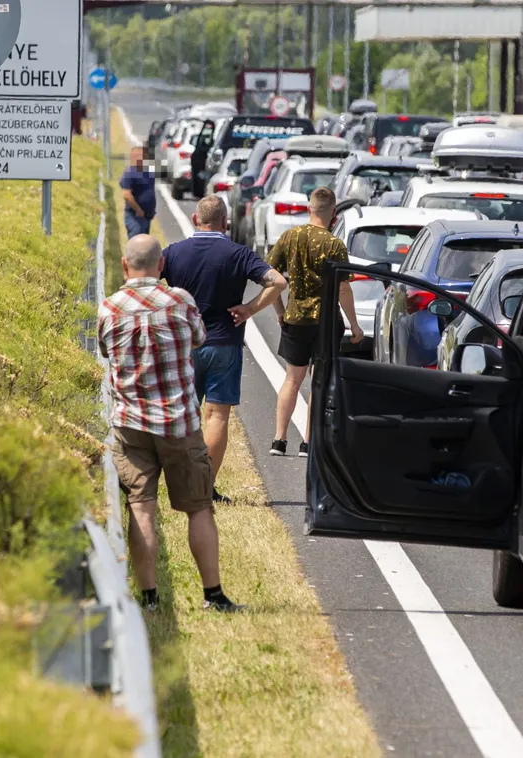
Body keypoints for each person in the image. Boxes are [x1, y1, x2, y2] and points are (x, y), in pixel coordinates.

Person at [98, 235, 244, 614]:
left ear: (125, 265)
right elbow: (198, 339)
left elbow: (105, 350)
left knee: (140, 505)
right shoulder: (180, 301)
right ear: (161, 265)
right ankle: (213, 594)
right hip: (178, 421)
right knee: (199, 507)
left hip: (131, 423)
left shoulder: (109, 308)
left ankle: (149, 599)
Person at [162, 195, 288, 503]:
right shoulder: (238, 253)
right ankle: (205, 488)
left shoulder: (174, 252)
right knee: (216, 417)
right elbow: (278, 282)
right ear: (225, 222)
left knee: (183, 415)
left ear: (195, 219)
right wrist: (249, 309)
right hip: (224, 344)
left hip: (184, 346)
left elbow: (145, 279)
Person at [265, 186, 363, 457]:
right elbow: (343, 289)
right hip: (326, 323)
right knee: (317, 382)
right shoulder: (334, 244)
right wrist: (354, 325)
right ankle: (307, 443)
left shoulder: (290, 236)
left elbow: (270, 276)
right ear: (333, 213)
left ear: (309, 208)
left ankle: (279, 440)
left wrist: (279, 310)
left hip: (295, 319)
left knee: (291, 380)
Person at [121, 146, 156, 239]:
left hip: (146, 216)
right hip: (135, 217)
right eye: (142, 156)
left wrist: (152, 210)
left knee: (144, 243)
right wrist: (138, 210)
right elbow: (126, 195)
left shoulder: (148, 172)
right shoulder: (130, 173)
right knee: (137, 242)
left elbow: (150, 191)